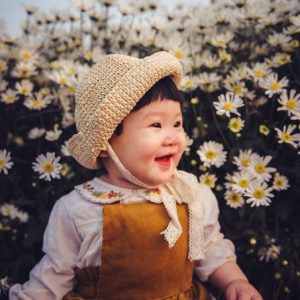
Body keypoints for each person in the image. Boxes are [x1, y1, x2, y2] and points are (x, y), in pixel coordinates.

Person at [9, 52, 263, 300]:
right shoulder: (78, 209)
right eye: (156, 125)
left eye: (177, 124)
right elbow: (55, 275)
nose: (173, 137)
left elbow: (209, 248)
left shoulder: (189, 193)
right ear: (106, 143)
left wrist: (235, 281)